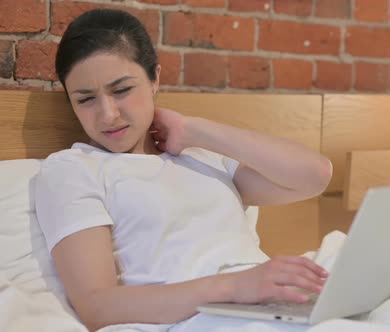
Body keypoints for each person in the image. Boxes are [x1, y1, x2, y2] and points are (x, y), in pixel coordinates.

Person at [35, 8, 332, 332]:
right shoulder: (72, 170)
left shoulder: (200, 156)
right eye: (86, 99)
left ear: (155, 79)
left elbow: (315, 176)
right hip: (209, 319)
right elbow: (97, 306)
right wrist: (234, 287)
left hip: (275, 308)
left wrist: (195, 129)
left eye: (121, 90)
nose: (107, 115)